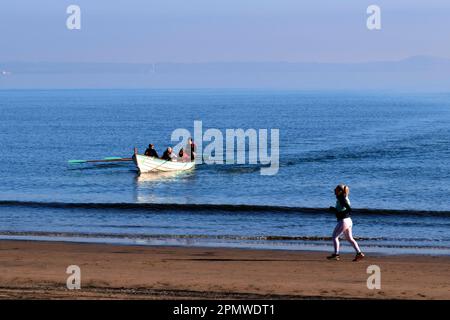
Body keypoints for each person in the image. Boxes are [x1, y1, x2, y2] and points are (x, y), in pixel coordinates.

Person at [327, 184, 365, 262]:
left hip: (344, 221)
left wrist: (339, 213)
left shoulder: (342, 199)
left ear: (340, 191)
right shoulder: (343, 198)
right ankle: (359, 253)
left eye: (336, 190)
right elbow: (342, 209)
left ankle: (336, 255)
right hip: (348, 221)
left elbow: (349, 209)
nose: (334, 191)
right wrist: (334, 209)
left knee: (334, 237)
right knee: (349, 238)